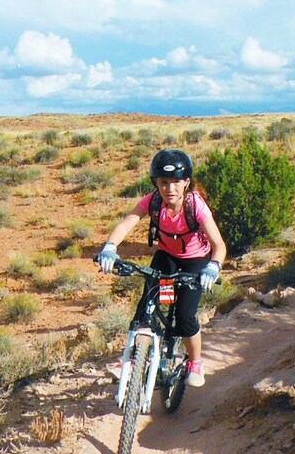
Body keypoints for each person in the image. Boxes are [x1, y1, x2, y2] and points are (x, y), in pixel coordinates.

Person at [97, 148, 227, 387]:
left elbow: (219, 245)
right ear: (156, 183)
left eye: (176, 182)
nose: (170, 189)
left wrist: (213, 267)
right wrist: (110, 247)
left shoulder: (195, 206)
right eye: (164, 182)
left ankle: (195, 362)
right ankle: (135, 359)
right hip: (167, 259)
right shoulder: (153, 201)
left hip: (195, 263)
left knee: (185, 316)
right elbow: (127, 223)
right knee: (149, 305)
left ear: (186, 182)